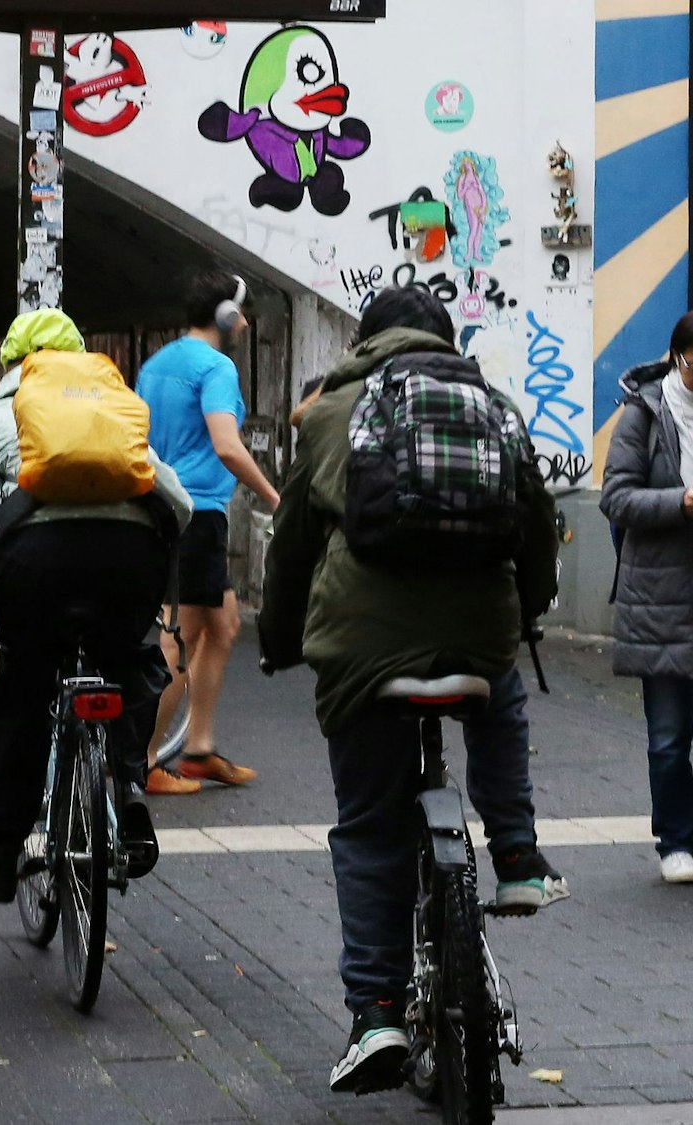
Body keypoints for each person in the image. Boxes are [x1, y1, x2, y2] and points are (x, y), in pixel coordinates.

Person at [260, 285, 565, 1094]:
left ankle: (377, 1016)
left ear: (365, 342)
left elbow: (291, 549)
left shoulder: (328, 415)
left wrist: (278, 642)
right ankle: (519, 857)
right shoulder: (494, 407)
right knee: (501, 695)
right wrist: (523, 617)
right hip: (478, 635)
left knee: (368, 827)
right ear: (445, 340)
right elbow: (535, 525)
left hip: (363, 651)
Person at [0, 309, 191, 902]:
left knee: (23, 693)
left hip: (37, 562)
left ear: (13, 363)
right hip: (127, 559)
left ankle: (3, 852)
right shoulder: (112, 410)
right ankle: (127, 785)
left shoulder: (1, 416)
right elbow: (177, 505)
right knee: (127, 663)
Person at [134, 269, 279, 794]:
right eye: (240, 313)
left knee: (223, 627)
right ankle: (144, 760)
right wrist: (274, 496)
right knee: (180, 635)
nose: (243, 323)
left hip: (163, 509)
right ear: (223, 316)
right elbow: (226, 444)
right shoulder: (216, 367)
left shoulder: (155, 364)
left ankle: (198, 748)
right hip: (198, 514)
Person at [602, 310, 693, 883]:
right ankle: (676, 842)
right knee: (668, 738)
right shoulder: (644, 413)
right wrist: (680, 503)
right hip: (659, 595)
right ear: (681, 357)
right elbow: (616, 496)